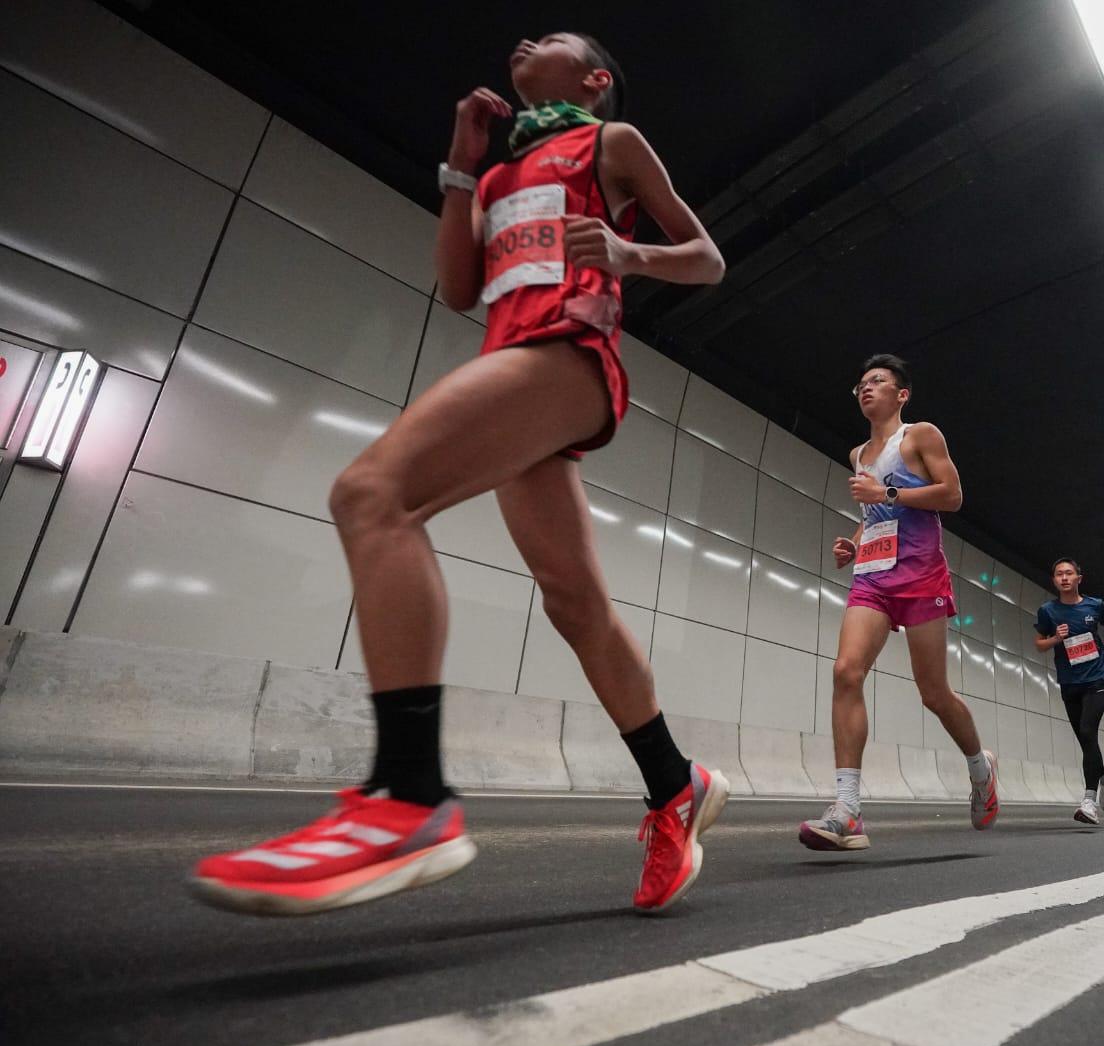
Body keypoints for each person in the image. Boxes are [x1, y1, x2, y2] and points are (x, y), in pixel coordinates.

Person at [192, 33, 730, 916]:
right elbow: (456, 288)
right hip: (513, 360)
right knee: (575, 604)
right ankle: (675, 782)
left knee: (373, 495)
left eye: (552, 39)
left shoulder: (611, 143)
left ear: (595, 80)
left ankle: (409, 796)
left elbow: (706, 260)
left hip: (568, 357)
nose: (526, 41)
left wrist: (632, 258)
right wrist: (458, 167)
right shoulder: (495, 176)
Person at [801, 354, 998, 851]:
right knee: (846, 671)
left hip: (920, 574)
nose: (866, 388)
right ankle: (847, 809)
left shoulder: (920, 436)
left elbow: (952, 497)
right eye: (861, 383)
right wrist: (855, 540)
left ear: (901, 394)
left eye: (878, 381)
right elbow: (875, 513)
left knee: (933, 693)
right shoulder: (857, 454)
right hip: (873, 576)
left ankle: (981, 768)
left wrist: (886, 491)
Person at [1034, 559, 1104, 825]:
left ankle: (1089, 801)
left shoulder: (1094, 605)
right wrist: (1055, 639)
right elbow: (1039, 644)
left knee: (1088, 731)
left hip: (1096, 677)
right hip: (1069, 681)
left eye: (1069, 573)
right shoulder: (1048, 611)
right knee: (1086, 741)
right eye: (1059, 574)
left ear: (1078, 578)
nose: (1064, 578)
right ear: (1054, 580)